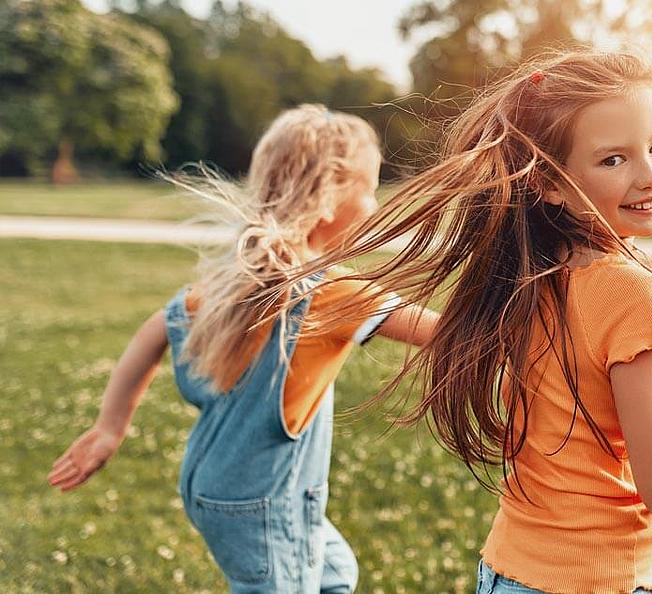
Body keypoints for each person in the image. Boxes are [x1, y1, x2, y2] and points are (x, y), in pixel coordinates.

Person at [273, 50, 652, 594]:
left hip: (506, 571)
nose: (650, 175)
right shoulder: (629, 291)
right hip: (599, 580)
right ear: (550, 183)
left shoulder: (526, 272)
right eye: (613, 160)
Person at [47, 104, 437, 593]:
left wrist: (110, 428)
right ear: (332, 198)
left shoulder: (237, 281)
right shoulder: (329, 291)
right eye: (370, 190)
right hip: (264, 504)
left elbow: (154, 331)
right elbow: (443, 332)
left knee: (334, 574)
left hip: (224, 489)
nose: (376, 207)